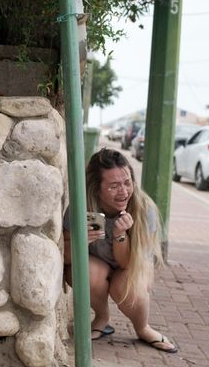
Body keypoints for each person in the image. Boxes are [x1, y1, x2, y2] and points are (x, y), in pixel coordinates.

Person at [63, 148, 178, 353]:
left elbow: (128, 265)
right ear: (97, 188)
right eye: (114, 186)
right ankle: (101, 317)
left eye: (127, 183)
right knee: (85, 272)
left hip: (131, 266)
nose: (123, 192)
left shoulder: (144, 210)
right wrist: (81, 243)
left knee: (123, 286)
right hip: (98, 265)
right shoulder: (81, 208)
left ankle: (143, 327)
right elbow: (65, 258)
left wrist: (119, 234)